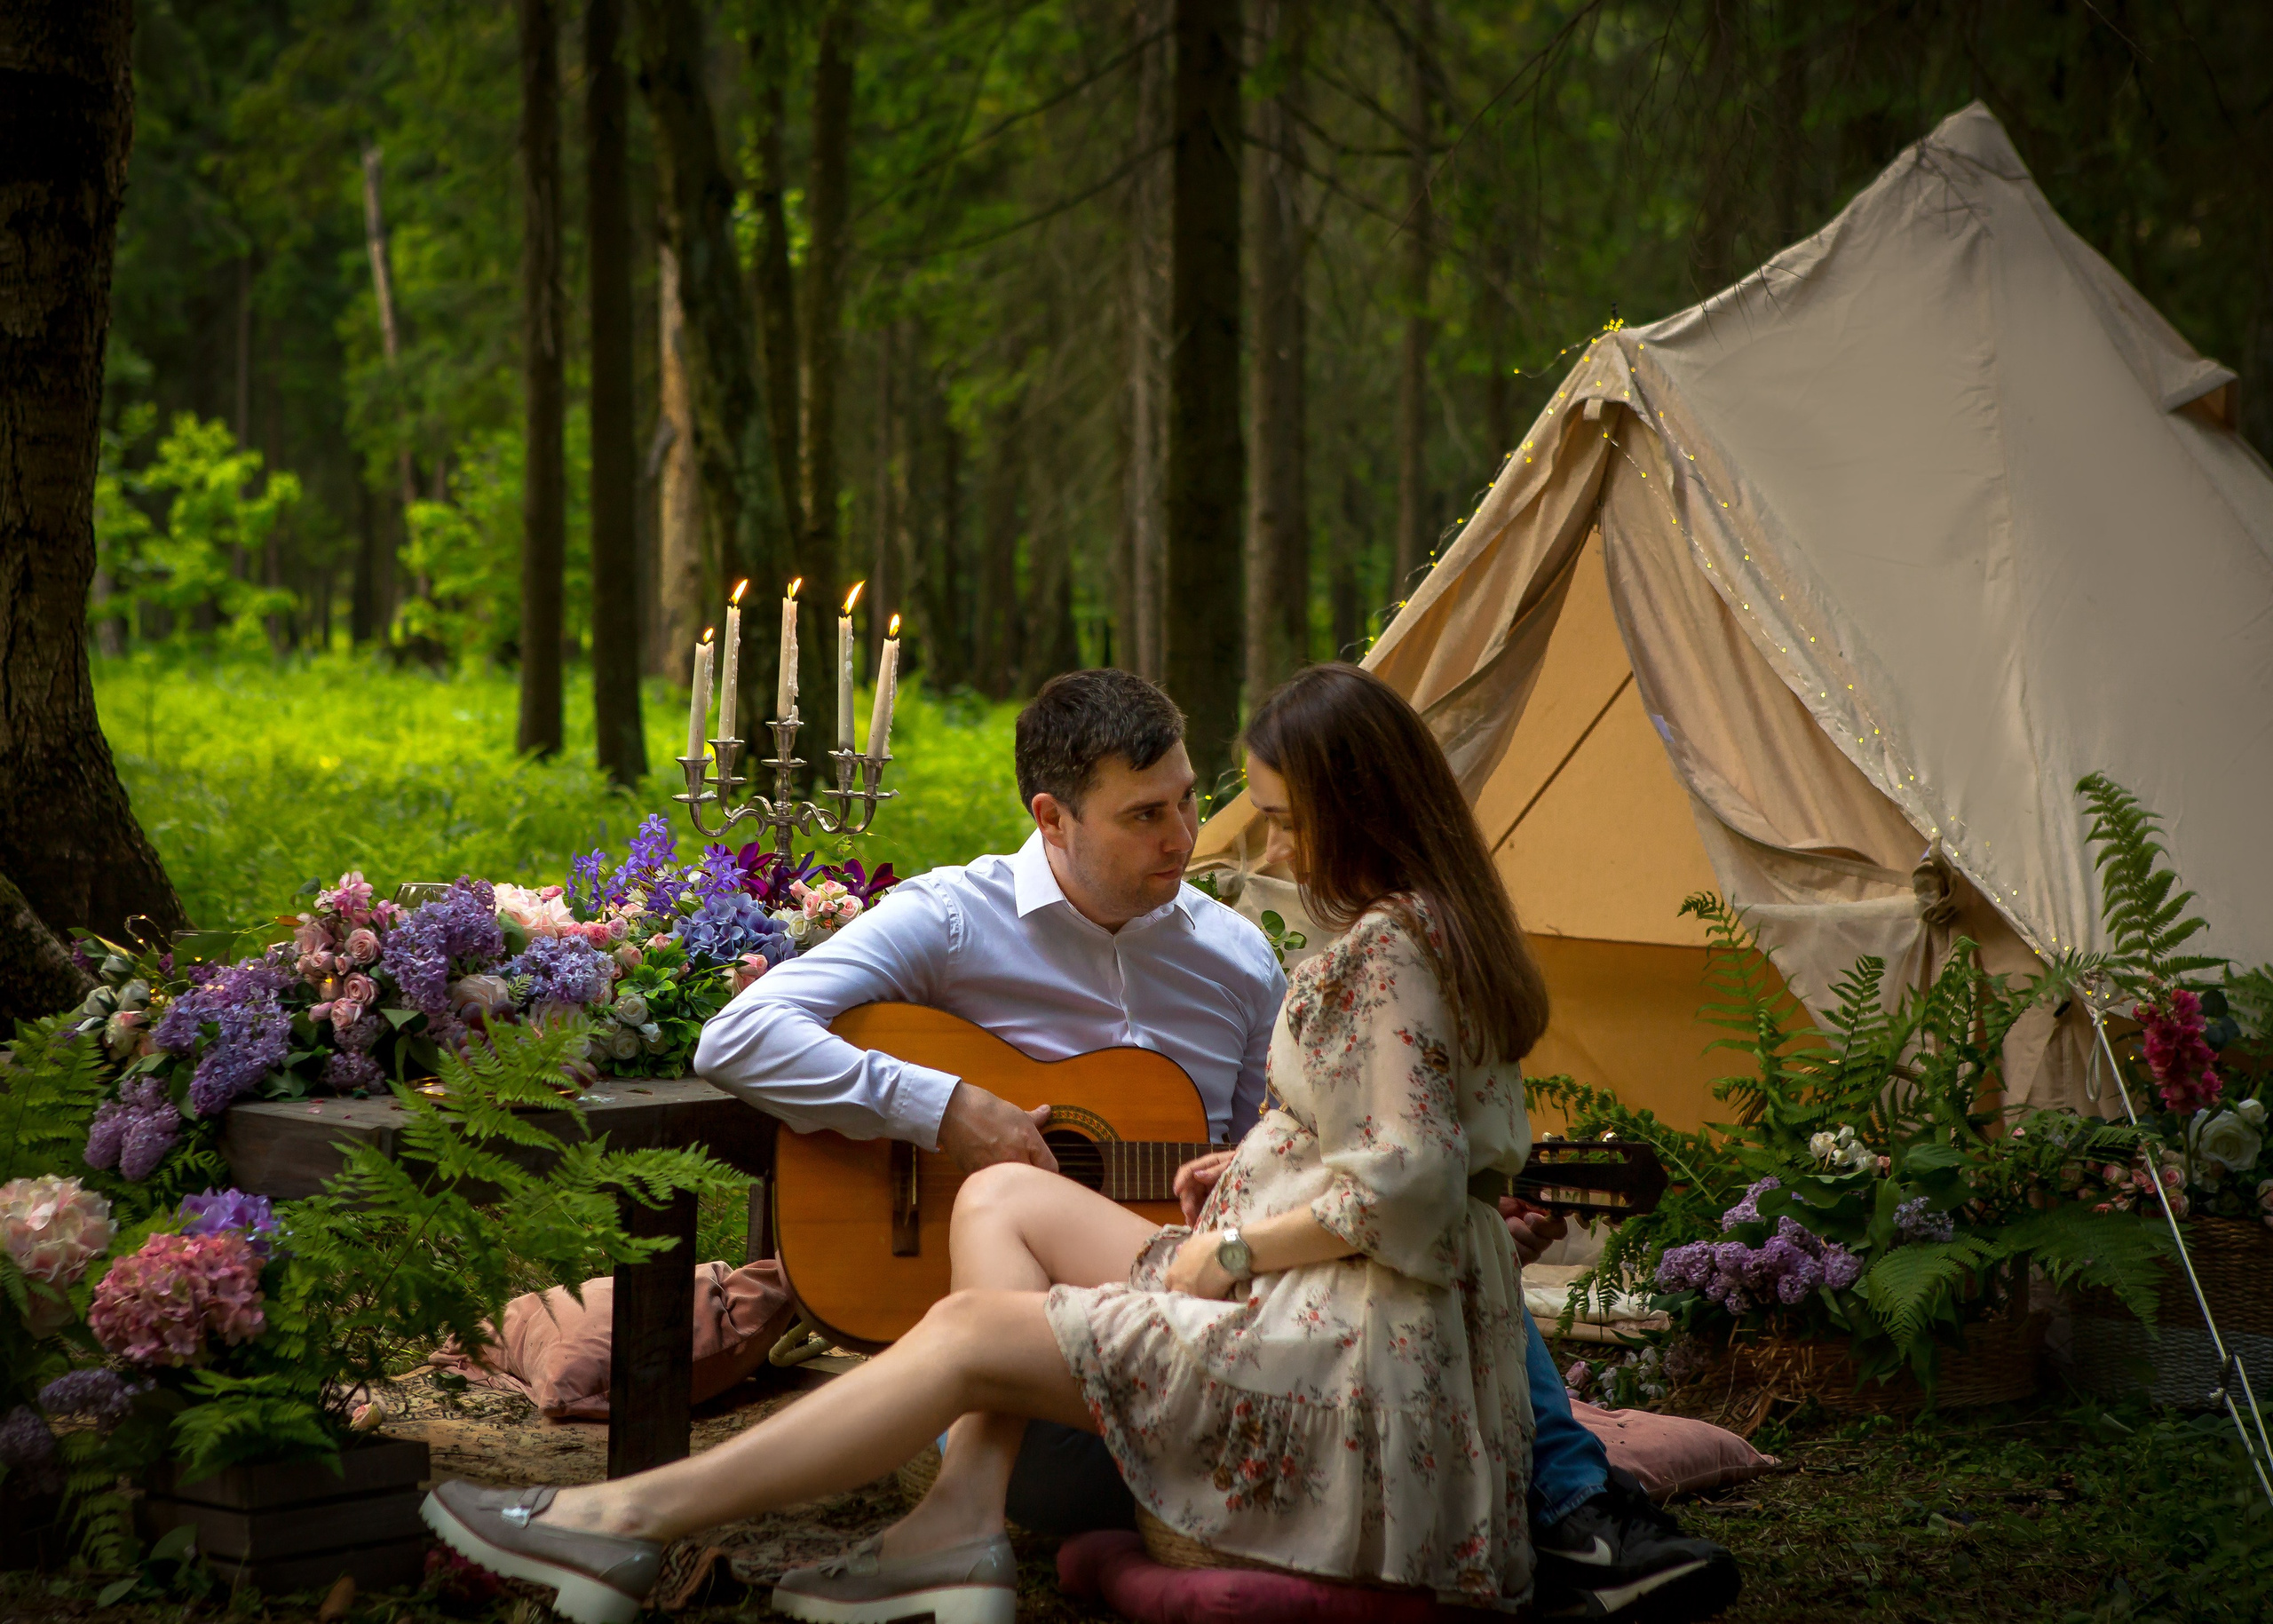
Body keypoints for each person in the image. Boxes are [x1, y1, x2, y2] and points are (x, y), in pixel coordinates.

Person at [423, 666, 1736, 1624]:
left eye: (1220, 807)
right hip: (1319, 1291)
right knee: (997, 1188)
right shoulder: (959, 916)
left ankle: (625, 1519)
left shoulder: (1289, 953)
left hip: (1318, 1324)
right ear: (1053, 816)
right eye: (1149, 815)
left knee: (969, 1330)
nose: (1211, 842)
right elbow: (741, 1038)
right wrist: (949, 1106)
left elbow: (1406, 1168)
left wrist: (1235, 1230)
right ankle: (955, 1525)